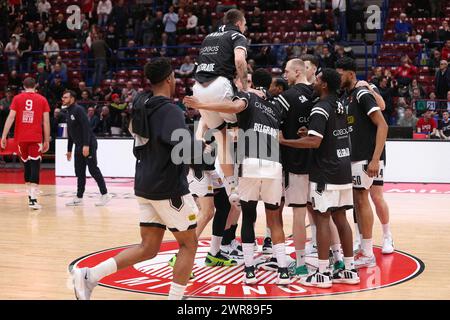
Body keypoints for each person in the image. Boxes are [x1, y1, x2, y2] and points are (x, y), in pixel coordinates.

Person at [71, 58, 199, 300]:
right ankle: (176, 298)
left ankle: (90, 275)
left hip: (144, 183)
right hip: (168, 187)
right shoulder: (170, 110)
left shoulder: (141, 104)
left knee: (148, 248)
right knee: (188, 244)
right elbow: (185, 149)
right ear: (170, 78)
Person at [184, 68, 290, 285]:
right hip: (232, 161)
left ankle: (228, 248)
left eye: (250, 81)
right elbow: (208, 121)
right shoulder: (244, 100)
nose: (248, 83)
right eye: (245, 80)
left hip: (246, 160)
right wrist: (198, 135)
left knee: (235, 210)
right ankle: (219, 247)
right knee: (223, 208)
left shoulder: (248, 100)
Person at [280, 68, 359, 288]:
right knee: (341, 219)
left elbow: (314, 143)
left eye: (317, 79)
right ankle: (349, 270)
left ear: (324, 84)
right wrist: (311, 132)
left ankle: (322, 273)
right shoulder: (339, 104)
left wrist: (285, 141)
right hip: (344, 169)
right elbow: (330, 133)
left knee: (323, 218)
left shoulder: (320, 107)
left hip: (326, 171)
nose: (313, 82)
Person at [336, 57, 388, 269]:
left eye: (340, 74)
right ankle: (364, 247)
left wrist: (375, 159)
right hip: (355, 156)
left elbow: (382, 125)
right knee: (358, 201)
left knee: (364, 199)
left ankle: (368, 252)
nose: (338, 78)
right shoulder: (348, 97)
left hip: (366, 157)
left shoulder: (362, 93)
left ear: (350, 73)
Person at [193, 9, 248, 205]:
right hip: (219, 85)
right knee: (245, 117)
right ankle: (244, 180)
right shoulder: (237, 35)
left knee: (221, 136)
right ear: (240, 23)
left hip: (199, 88)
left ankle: (232, 186)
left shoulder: (208, 37)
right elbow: (239, 61)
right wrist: (247, 87)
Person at [273, 59, 314, 277]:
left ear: (297, 72)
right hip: (319, 165)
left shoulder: (285, 98)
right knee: (324, 214)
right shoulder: (320, 94)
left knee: (299, 214)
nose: (284, 74)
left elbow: (271, 125)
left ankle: (299, 263)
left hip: (296, 163)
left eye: (287, 71)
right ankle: (335, 260)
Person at [1, 77, 51, 210]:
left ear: (23, 86)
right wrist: (47, 139)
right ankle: (33, 199)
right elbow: (46, 122)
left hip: (20, 138)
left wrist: (4, 136)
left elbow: (10, 117)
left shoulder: (17, 98)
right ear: (36, 86)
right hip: (35, 138)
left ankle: (30, 196)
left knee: (27, 166)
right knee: (35, 166)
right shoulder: (42, 99)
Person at [62, 90, 111, 207]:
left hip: (88, 143)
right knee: (79, 171)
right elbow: (71, 133)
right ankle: (79, 197)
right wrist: (69, 150)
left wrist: (86, 145)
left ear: (72, 99)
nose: (63, 99)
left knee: (93, 169)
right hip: (78, 146)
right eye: (62, 97)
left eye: (65, 97)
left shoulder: (78, 110)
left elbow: (86, 128)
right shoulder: (68, 111)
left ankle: (105, 194)